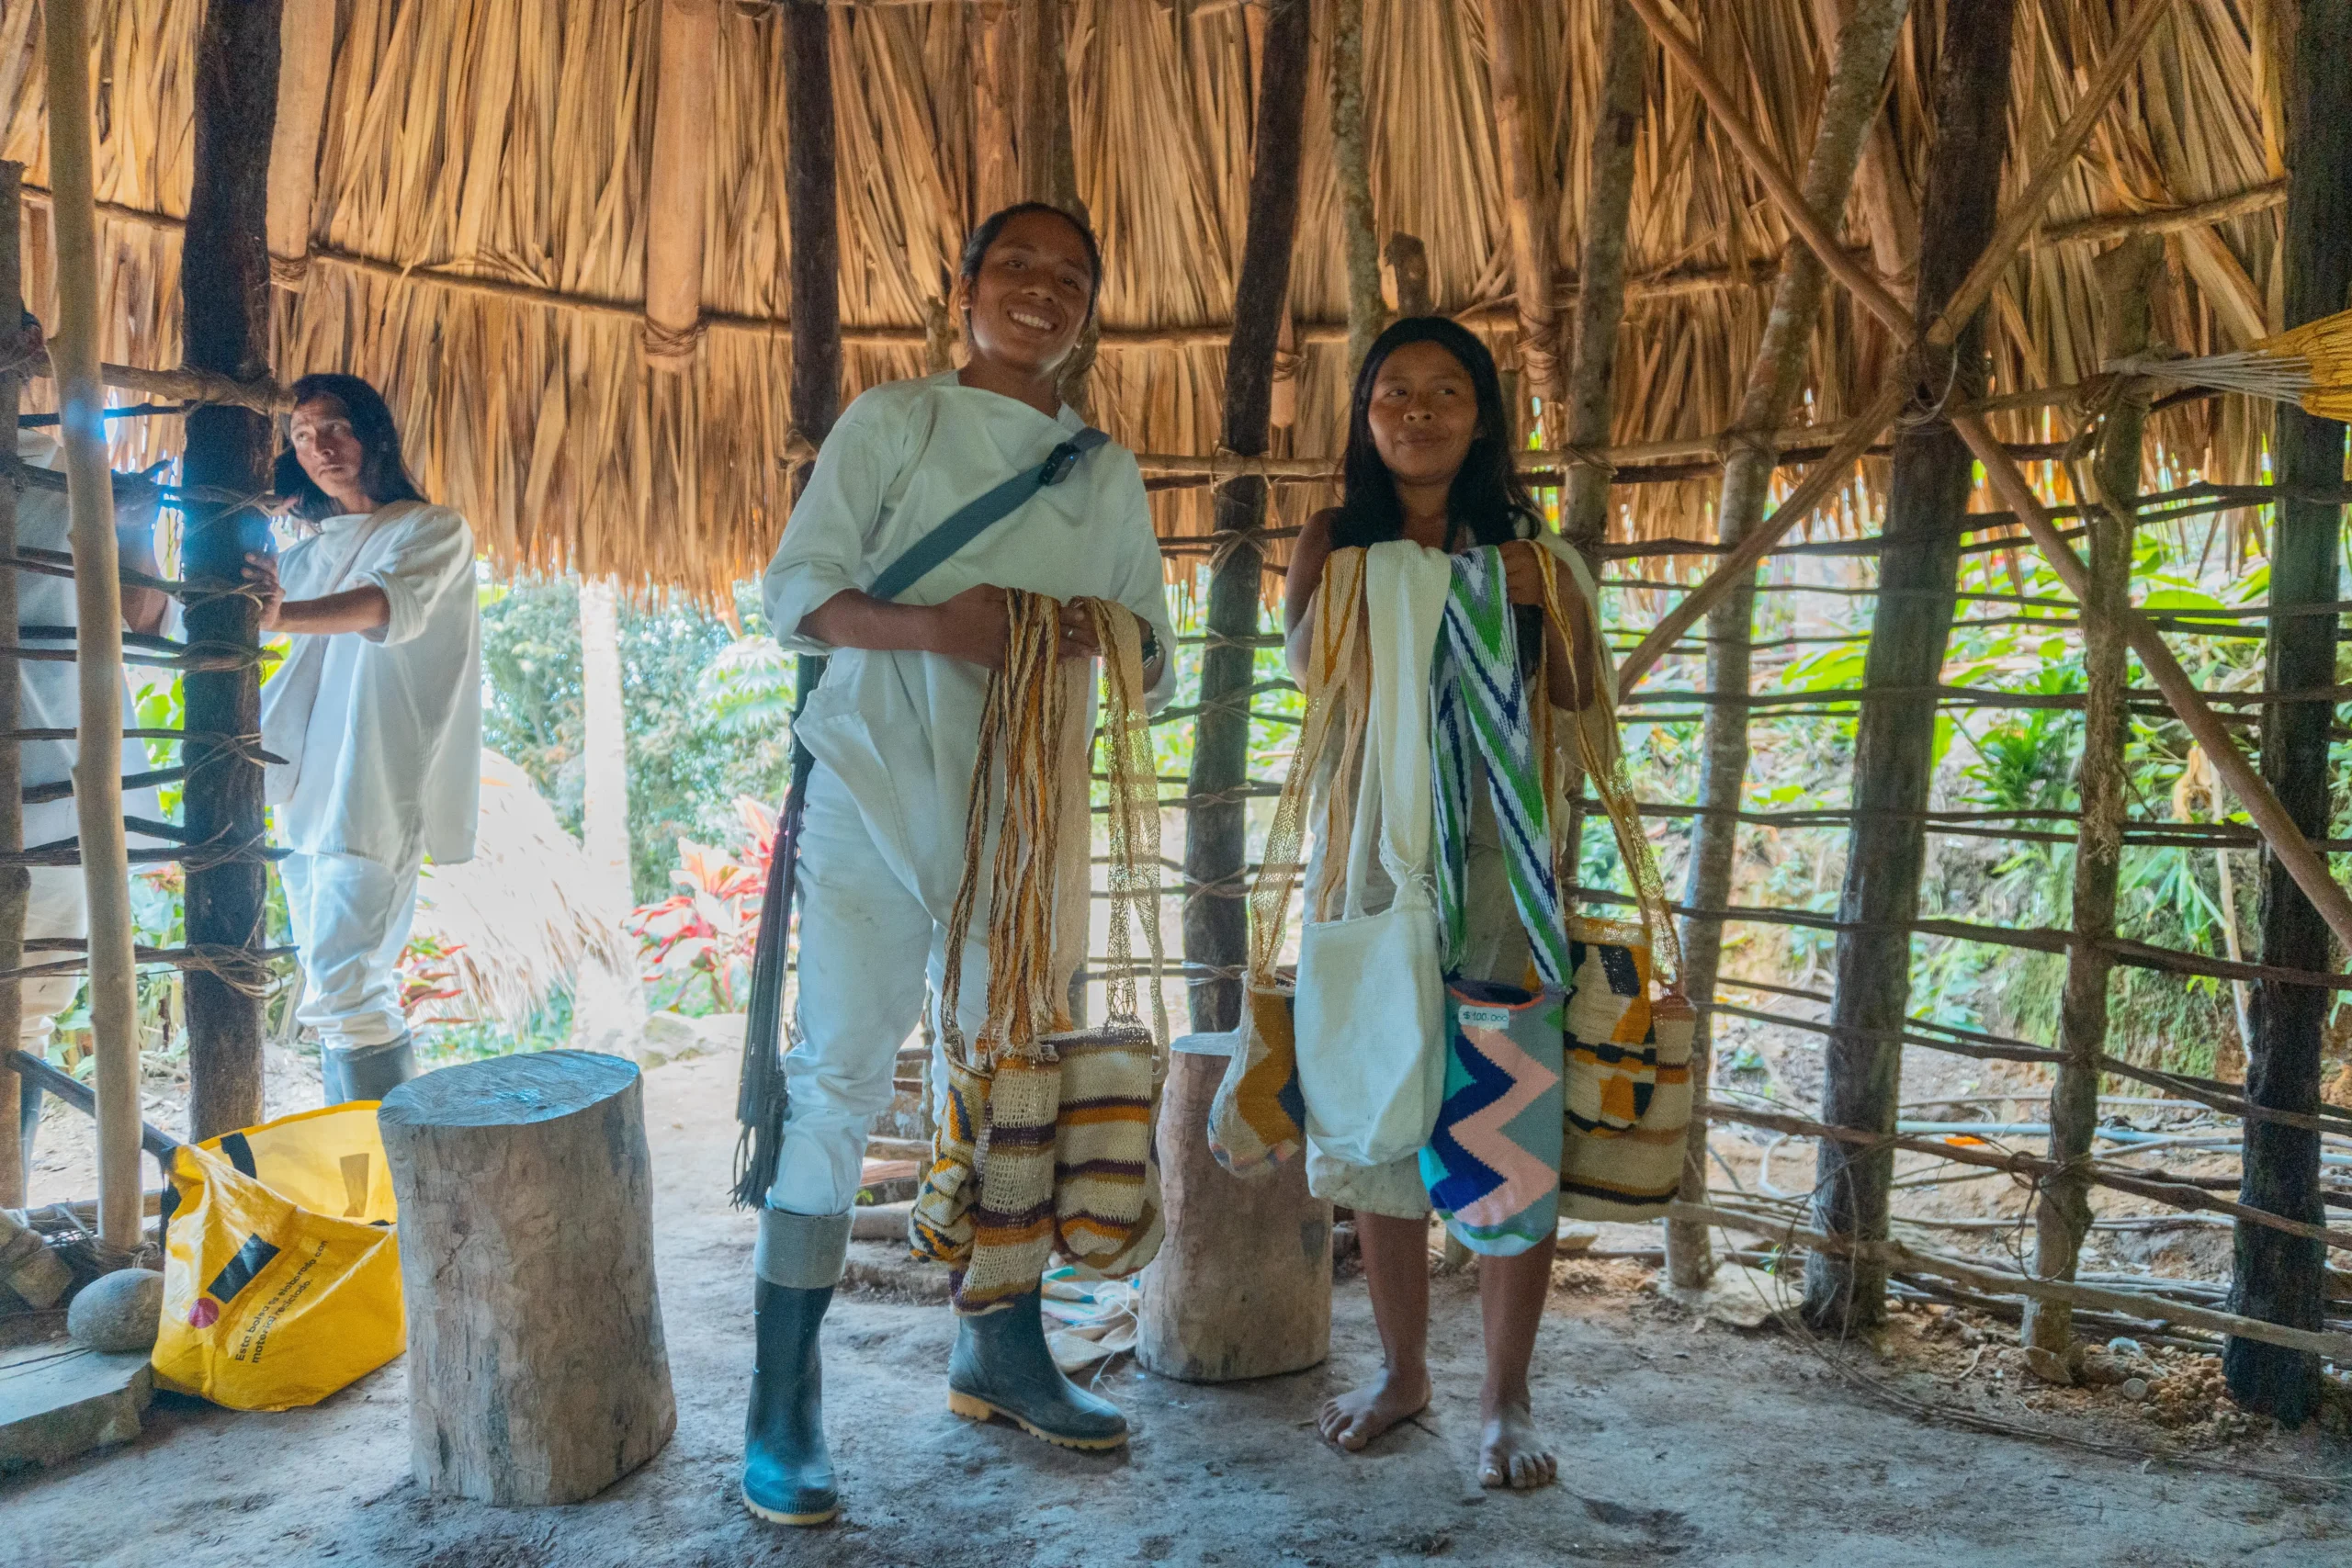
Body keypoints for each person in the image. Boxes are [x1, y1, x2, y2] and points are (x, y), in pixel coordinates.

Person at [746, 202, 1176, 1527]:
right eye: (1018, 267)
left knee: (1017, 1067)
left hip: (1023, 813)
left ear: (1091, 308)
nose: (1043, 291)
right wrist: (939, 625)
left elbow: (1150, 651)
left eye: (1071, 277)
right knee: (837, 1071)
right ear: (966, 288)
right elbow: (794, 597)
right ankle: (784, 1396)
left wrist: (1066, 630)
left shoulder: (1099, 472)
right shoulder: (895, 423)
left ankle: (999, 1345)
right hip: (874, 785)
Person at [1282, 318, 1603, 1492]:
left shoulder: (1528, 543)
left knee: (1507, 1119)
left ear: (1483, 415)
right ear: (1364, 417)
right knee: (1380, 1103)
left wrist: (1535, 593)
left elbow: (1574, 692)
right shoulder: (1333, 539)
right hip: (1372, 855)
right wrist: (1404, 587)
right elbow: (1313, 678)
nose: (1418, 412)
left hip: (1501, 864)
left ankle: (1505, 1398)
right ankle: (1402, 1371)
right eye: (1393, 394)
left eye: (1446, 392)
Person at [244, 374, 481, 1105]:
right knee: (331, 992)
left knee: (350, 988)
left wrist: (283, 615)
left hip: (377, 787)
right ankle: (361, 1181)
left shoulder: (433, 530)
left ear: (374, 432)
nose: (320, 447)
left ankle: (388, 1185)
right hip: (305, 800)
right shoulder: (313, 551)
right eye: (301, 436)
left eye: (335, 427)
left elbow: (384, 605)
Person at [9, 311, 171, 1168]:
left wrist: (133, 531)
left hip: (62, 807)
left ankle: (9, 1216)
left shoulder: (75, 478)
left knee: (27, 1013)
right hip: (51, 810)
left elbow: (142, 629)